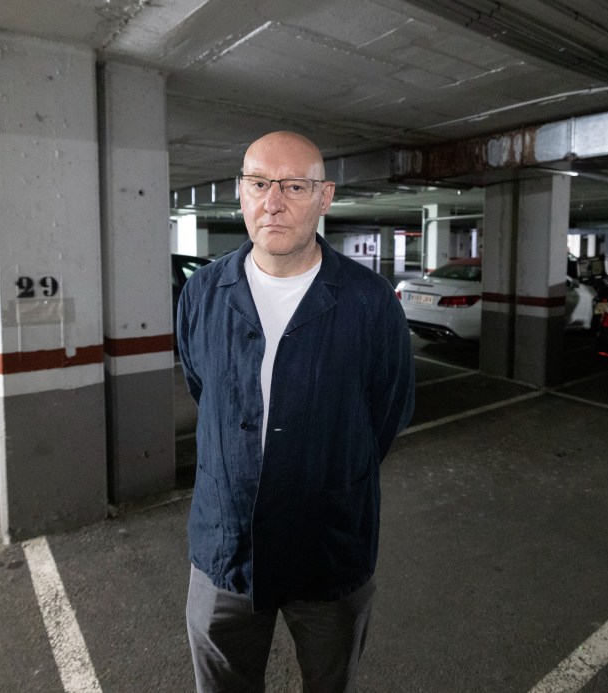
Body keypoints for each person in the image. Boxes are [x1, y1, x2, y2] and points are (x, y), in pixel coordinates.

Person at [176, 130, 415, 692]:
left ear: (325, 196)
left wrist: (330, 471)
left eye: (294, 186)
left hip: (328, 548)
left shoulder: (368, 300)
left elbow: (389, 411)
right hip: (225, 545)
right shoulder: (203, 293)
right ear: (240, 191)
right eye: (259, 183)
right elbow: (202, 389)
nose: (273, 201)